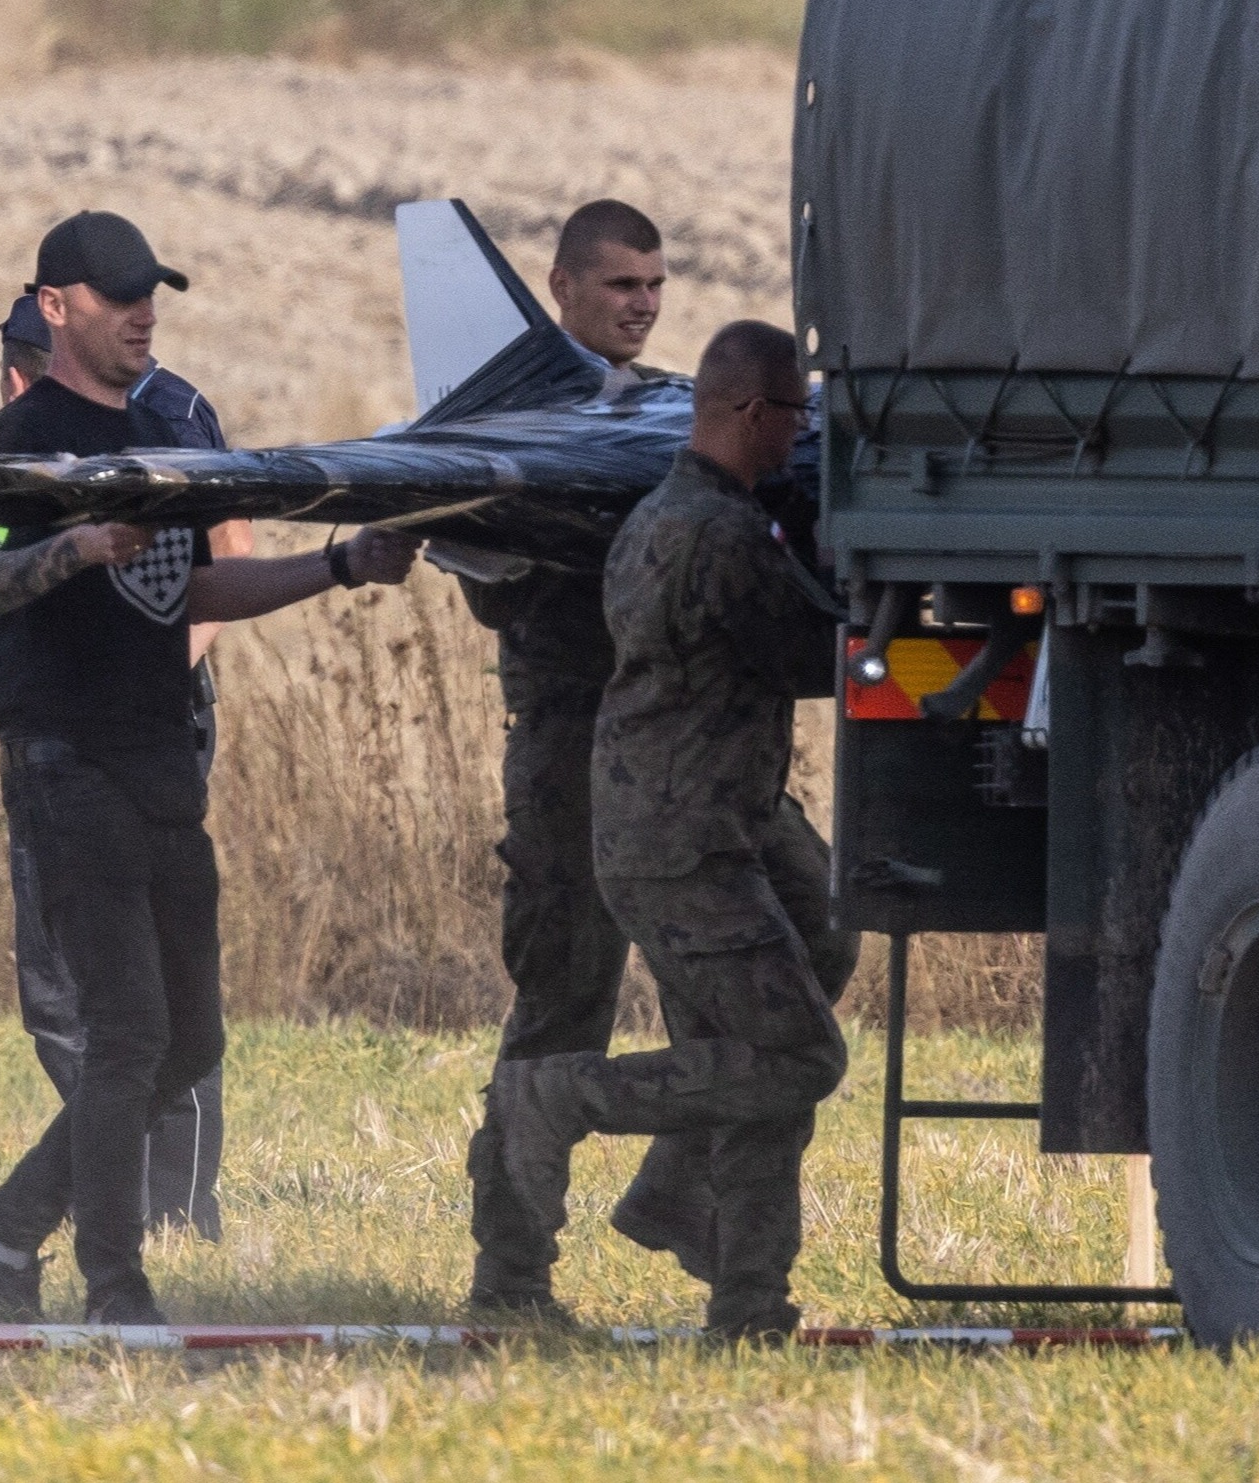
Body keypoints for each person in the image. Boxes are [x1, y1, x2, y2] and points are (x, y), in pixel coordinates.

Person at [0, 210, 420, 1325]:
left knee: (188, 1037)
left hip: (160, 761)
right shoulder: (17, 447)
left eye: (151, 291)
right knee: (129, 1033)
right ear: (56, 308)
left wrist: (341, 563)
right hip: (65, 763)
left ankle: (0, 1234)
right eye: (117, 296)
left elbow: (192, 592)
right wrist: (71, 546)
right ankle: (116, 1285)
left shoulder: (167, 434)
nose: (143, 312)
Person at [489, 320, 860, 1341]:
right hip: (684, 838)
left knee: (796, 982)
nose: (799, 437)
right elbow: (810, 651)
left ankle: (743, 1295)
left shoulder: (664, 514)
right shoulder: (720, 537)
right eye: (792, 417)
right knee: (797, 1057)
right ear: (752, 414)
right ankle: (564, 1097)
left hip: (710, 821)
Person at [458, 200, 712, 1316]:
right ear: (558, 286)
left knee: (777, 969)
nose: (643, 306)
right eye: (620, 287)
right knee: (567, 1000)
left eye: (655, 286)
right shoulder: (526, 420)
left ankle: (675, 1187)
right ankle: (510, 1275)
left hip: (679, 744)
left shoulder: (655, 413)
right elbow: (480, 578)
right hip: (569, 750)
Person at [0, 293, 248, 1242]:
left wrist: (139, 677)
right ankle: (105, 1200)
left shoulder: (171, 417)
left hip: (142, 732)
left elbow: (232, 557)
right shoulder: (40, 432)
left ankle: (168, 1208)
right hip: (68, 731)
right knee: (85, 994)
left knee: (143, 998)